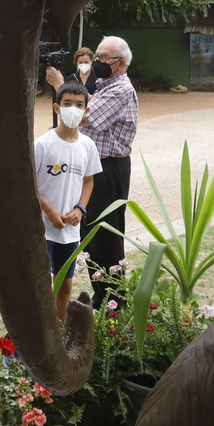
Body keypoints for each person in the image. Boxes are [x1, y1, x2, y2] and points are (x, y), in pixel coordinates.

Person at [78, 36, 139, 304]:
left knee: (105, 234)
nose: (98, 62)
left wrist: (59, 87)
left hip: (108, 169)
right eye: (97, 56)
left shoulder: (120, 90)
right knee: (90, 234)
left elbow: (86, 116)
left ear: (121, 63)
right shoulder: (105, 85)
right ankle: (102, 297)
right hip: (95, 167)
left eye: (104, 58)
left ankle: (115, 301)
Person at [35, 82, 101, 319]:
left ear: (86, 110)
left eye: (79, 105)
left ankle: (60, 330)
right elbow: (28, 185)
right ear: (57, 108)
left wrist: (80, 209)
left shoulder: (88, 146)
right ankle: (40, 331)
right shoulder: (42, 144)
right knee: (39, 285)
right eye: (67, 103)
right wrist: (49, 211)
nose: (73, 108)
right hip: (42, 228)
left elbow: (88, 181)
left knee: (65, 284)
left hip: (69, 231)